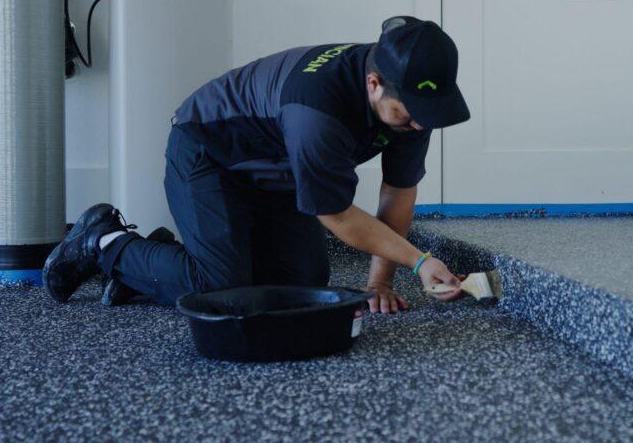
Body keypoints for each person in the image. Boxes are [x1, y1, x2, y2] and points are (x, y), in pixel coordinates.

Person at [42, 16, 470, 314]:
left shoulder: (413, 102)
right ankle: (103, 242)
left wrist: (380, 282)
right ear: (374, 85)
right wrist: (418, 261)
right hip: (209, 154)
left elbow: (398, 190)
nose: (417, 124)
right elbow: (337, 215)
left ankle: (152, 268)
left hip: (276, 175)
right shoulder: (317, 108)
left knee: (305, 286)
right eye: (407, 113)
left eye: (424, 114)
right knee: (221, 288)